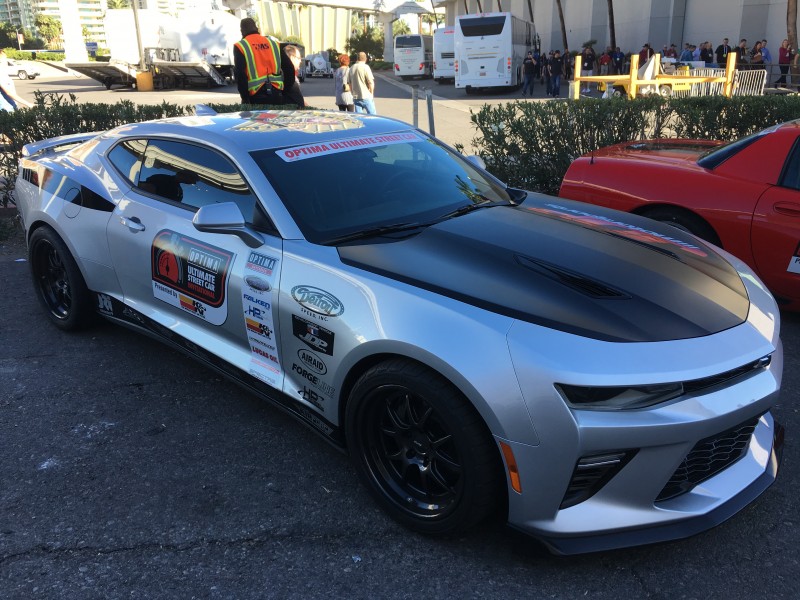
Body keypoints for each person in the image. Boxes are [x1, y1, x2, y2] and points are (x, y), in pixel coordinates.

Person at [233, 17, 285, 105]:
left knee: (258, 119)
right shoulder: (274, 44)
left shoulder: (241, 46)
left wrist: (245, 98)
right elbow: (289, 68)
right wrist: (285, 91)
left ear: (242, 31)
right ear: (256, 28)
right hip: (276, 94)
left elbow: (240, 75)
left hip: (256, 96)